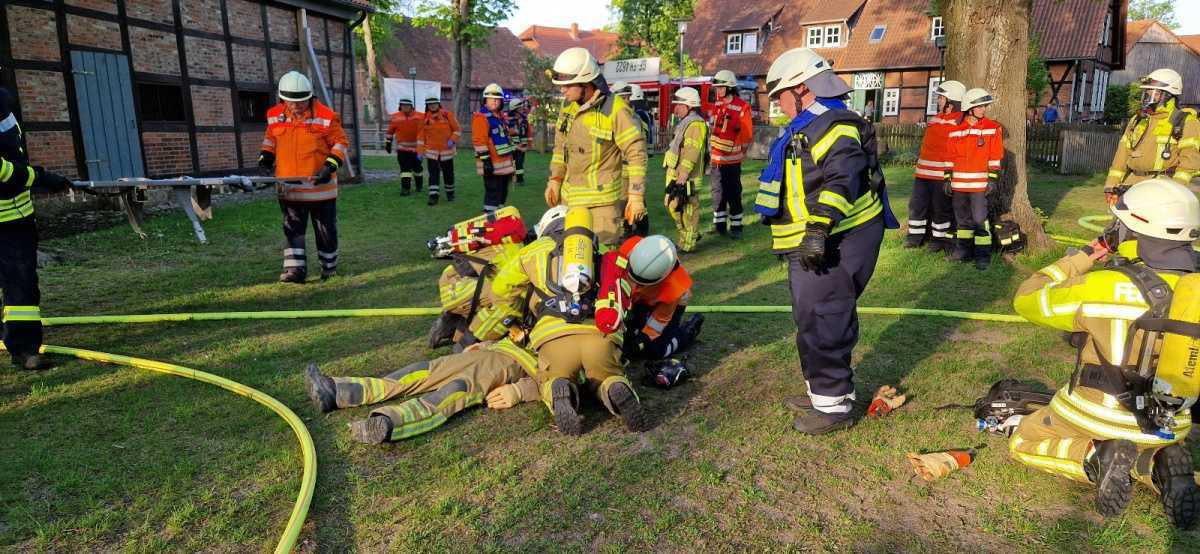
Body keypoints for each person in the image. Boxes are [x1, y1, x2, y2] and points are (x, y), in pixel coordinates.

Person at [1010, 178, 1199, 528]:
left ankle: (1096, 455)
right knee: (1149, 446)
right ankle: (1156, 463)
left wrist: (1086, 255)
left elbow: (1027, 297)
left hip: (1098, 414)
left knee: (1024, 440)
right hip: (1173, 421)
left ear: (1132, 229)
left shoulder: (1101, 286)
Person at [753, 48, 895, 434]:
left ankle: (834, 406)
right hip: (820, 239)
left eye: (780, 95)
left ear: (802, 88)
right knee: (811, 316)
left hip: (836, 238)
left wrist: (817, 229)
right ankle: (821, 391)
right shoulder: (809, 123)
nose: (778, 105)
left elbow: (843, 178)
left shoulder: (833, 124)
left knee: (825, 317)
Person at [491, 206, 646, 436]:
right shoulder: (601, 249)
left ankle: (558, 389)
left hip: (555, 340)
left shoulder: (533, 251)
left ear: (545, 228)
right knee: (608, 373)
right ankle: (614, 386)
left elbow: (499, 289)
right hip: (600, 336)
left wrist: (516, 313)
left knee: (553, 377)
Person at [304, 338, 538, 443]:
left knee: (453, 392)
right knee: (419, 370)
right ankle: (337, 391)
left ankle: (390, 423)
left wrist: (520, 390)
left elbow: (569, 377)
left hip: (516, 367)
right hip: (493, 351)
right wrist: (486, 344)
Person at [546, 47, 649, 249]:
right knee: (572, 262)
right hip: (570, 201)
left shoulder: (616, 109)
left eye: (567, 85)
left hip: (602, 208)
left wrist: (636, 196)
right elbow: (560, 148)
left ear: (586, 81)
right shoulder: (567, 108)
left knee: (601, 263)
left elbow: (636, 154)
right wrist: (555, 179)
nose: (562, 90)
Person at [0, 84, 72, 370]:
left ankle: (25, 348)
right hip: (9, 220)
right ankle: (23, 348)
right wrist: (39, 178)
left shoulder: (2, 100)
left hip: (16, 215)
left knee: (20, 286)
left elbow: (12, 152)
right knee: (19, 285)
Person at [258, 71, 350, 284]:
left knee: (325, 231)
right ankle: (295, 271)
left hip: (320, 188)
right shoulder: (274, 115)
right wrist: (265, 158)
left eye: (301, 102)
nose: (296, 106)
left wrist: (330, 165)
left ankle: (329, 268)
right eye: (291, 102)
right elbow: (270, 139)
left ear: (310, 97)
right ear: (282, 98)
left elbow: (341, 143)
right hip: (289, 187)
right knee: (292, 229)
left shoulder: (326, 116)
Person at [1104, 68, 1199, 205]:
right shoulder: (1136, 120)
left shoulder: (1186, 122)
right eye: (1145, 93)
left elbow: (1189, 163)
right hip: (1130, 187)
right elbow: (1121, 156)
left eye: (1152, 93)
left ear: (1168, 95)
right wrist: (1111, 185)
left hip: (1161, 190)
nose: (1146, 98)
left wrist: (1174, 192)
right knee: (1119, 226)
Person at [617, 234, 704, 362]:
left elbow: (657, 323)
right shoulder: (629, 249)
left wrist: (641, 341)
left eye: (641, 283)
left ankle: (687, 332)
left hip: (665, 305)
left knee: (656, 350)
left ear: (662, 278)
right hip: (640, 299)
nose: (634, 285)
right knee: (628, 334)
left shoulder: (673, 288)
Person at [945, 88, 1002, 271]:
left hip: (979, 186)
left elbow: (995, 156)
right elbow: (949, 156)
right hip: (959, 185)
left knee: (980, 220)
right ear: (970, 108)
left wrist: (992, 179)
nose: (984, 109)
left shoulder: (992, 128)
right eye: (980, 106)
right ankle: (963, 252)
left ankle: (982, 256)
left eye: (984, 106)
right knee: (963, 222)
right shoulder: (955, 130)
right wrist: (947, 178)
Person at [904, 80, 965, 252]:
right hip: (922, 174)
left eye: (941, 98)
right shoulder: (935, 118)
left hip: (941, 176)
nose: (938, 101)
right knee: (917, 206)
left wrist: (950, 175)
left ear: (951, 102)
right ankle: (914, 237)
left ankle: (938, 240)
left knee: (941, 210)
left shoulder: (960, 121)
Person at [662, 87, 709, 252]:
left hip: (687, 177)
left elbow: (691, 152)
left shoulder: (695, 125)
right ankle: (689, 235)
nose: (675, 109)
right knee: (673, 206)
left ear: (689, 105)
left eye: (679, 105)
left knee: (687, 210)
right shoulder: (685, 123)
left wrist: (683, 175)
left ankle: (688, 244)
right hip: (677, 175)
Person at [709, 69, 754, 240]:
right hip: (716, 160)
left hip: (732, 161)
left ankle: (736, 226)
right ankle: (719, 226)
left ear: (729, 88)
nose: (718, 91)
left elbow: (747, 134)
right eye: (717, 88)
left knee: (733, 193)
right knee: (717, 193)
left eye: (721, 87)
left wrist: (740, 151)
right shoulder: (717, 105)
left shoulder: (743, 107)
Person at [473, 83, 516, 214]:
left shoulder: (500, 117)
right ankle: (489, 220)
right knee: (492, 193)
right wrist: (486, 161)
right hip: (491, 164)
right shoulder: (481, 117)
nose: (495, 102)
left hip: (503, 164)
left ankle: (499, 217)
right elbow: (479, 141)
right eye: (491, 99)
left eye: (497, 99)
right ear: (485, 100)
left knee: (502, 193)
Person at [417, 95, 460, 205]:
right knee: (433, 174)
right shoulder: (424, 119)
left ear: (438, 104)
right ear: (427, 105)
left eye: (434, 103)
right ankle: (433, 196)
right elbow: (421, 137)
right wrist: (420, 152)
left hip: (447, 152)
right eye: (430, 104)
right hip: (432, 153)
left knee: (448, 174)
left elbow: (457, 130)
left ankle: (450, 194)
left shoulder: (447, 115)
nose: (432, 106)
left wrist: (452, 140)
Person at [385, 98, 424, 196]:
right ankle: (405, 189)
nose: (405, 107)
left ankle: (419, 185)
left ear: (412, 106)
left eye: (407, 105)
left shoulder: (420, 116)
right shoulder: (395, 117)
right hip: (402, 149)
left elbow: (426, 129)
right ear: (400, 106)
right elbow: (390, 132)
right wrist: (388, 143)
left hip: (417, 149)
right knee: (405, 170)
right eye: (403, 105)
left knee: (417, 169)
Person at [507, 98, 532, 186]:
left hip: (522, 147)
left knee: (520, 162)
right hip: (512, 146)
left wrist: (528, 145)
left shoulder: (524, 120)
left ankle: (520, 180)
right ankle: (512, 178)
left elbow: (528, 132)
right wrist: (513, 132)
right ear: (515, 109)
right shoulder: (508, 120)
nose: (522, 109)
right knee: (511, 162)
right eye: (520, 108)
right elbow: (506, 133)